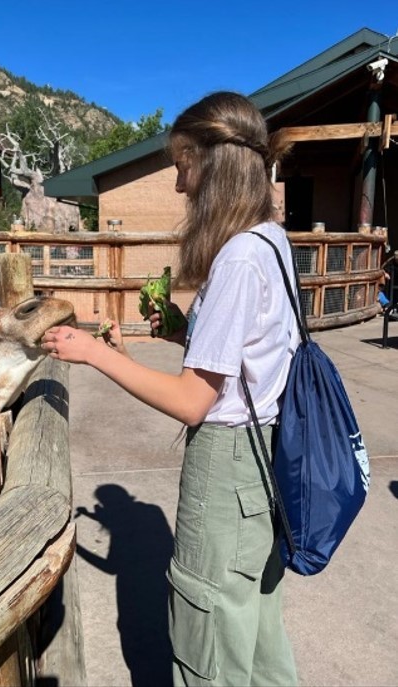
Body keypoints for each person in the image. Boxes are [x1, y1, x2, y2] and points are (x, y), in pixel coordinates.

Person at [42, 91, 300, 687]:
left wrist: (96, 354)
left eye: (182, 165)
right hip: (263, 456)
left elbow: (192, 401)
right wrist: (188, 335)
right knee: (253, 625)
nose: (180, 185)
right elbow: (251, 360)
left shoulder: (236, 259)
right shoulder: (272, 242)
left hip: (227, 460)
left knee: (206, 629)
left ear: (212, 166)